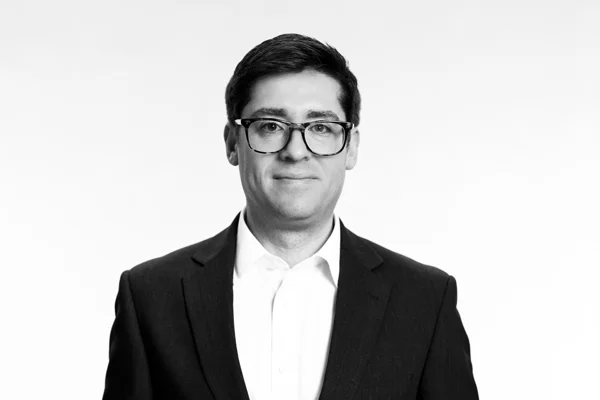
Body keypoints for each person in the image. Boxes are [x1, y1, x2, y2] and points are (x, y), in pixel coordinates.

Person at [102, 33, 479, 400]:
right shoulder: (151, 296)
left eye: (321, 127)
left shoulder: (424, 300)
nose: (296, 151)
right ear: (233, 143)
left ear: (350, 148)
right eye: (271, 126)